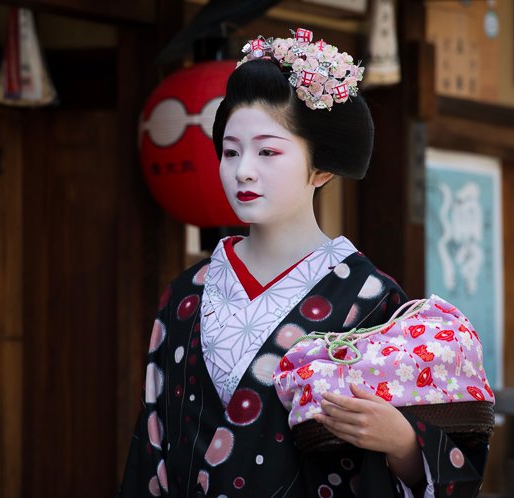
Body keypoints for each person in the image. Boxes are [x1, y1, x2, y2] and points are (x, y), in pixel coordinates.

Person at [118, 30, 490, 497]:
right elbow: (152, 444)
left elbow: (446, 452)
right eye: (231, 151)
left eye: (268, 151)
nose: (243, 170)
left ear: (321, 167)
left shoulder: (368, 298)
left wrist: (402, 443)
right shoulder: (187, 295)